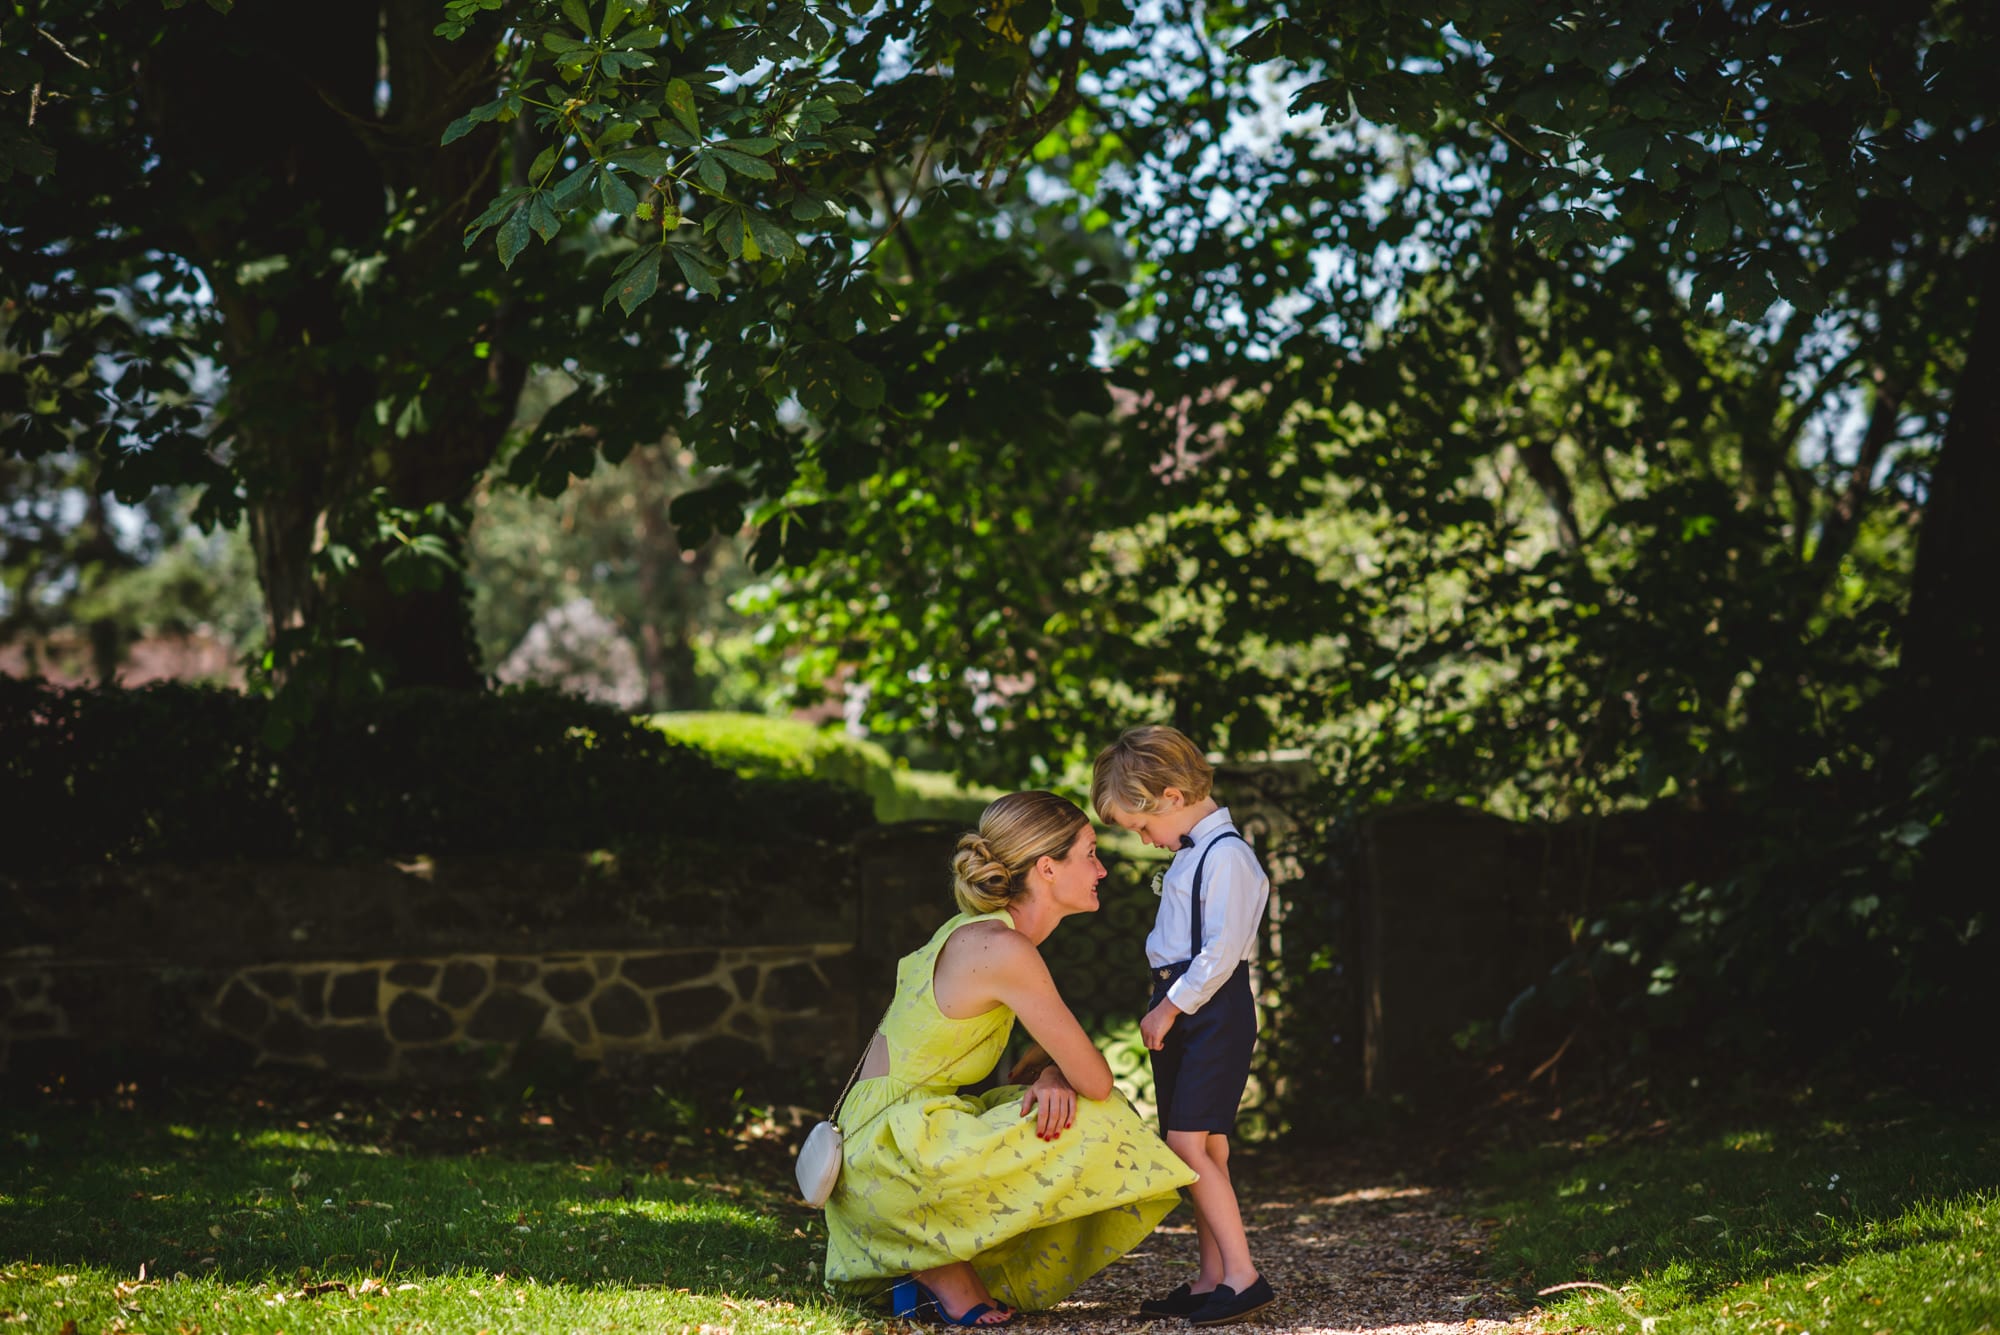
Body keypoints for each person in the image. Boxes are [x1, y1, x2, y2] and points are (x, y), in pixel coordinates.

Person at [822, 790, 1200, 1326]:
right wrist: (1065, 1080)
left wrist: (1051, 1075)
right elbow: (1095, 1080)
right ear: (1047, 868)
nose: (1103, 870)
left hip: (879, 1148)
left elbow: (1041, 1064)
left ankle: (934, 1265)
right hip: (888, 1162)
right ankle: (936, 1261)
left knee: (1043, 1103)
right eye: (1090, 853)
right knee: (1103, 1117)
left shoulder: (978, 933)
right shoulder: (1004, 949)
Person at [1091, 726, 1276, 1326]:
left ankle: (1244, 1276)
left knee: (1185, 1146)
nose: (1144, 840)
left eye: (1141, 827)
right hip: (1183, 1004)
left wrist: (1171, 1005)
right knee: (1203, 1146)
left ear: (1172, 796)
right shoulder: (1191, 852)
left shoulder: (1228, 857)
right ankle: (1212, 1276)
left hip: (1210, 1008)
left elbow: (1221, 953)